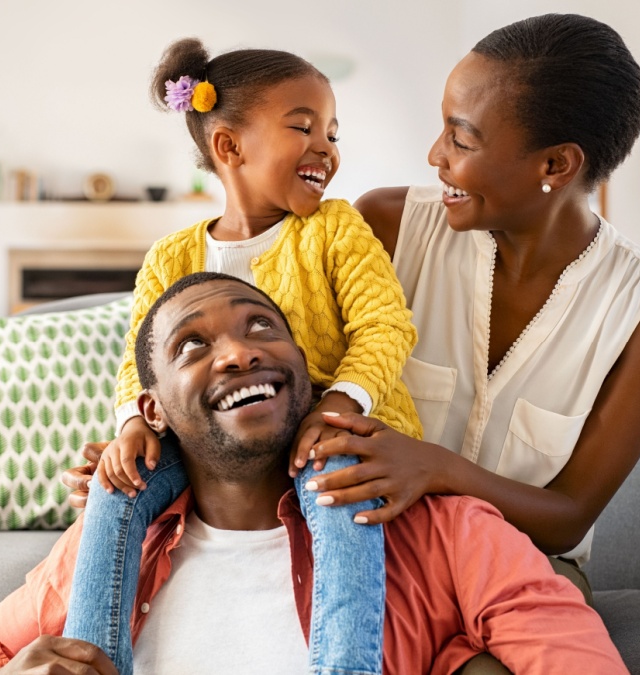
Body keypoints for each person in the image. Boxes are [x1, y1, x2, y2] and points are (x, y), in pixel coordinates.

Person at [0, 272, 623, 674]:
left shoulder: (444, 529)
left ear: (309, 379)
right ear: (152, 408)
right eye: (195, 344)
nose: (237, 353)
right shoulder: (111, 542)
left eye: (262, 328)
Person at [296, 11, 640, 587]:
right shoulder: (385, 228)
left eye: (461, 138)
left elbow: (569, 517)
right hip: (369, 549)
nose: (436, 155)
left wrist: (437, 469)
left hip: (527, 572)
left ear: (555, 165)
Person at [62, 39, 422, 675]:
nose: (327, 148)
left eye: (333, 133)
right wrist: (132, 426)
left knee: (337, 487)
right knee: (116, 491)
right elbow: (137, 359)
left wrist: (337, 406)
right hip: (213, 449)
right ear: (229, 147)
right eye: (303, 127)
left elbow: (384, 325)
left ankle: (343, 666)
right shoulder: (170, 257)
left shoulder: (335, 228)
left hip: (325, 430)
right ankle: (90, 660)